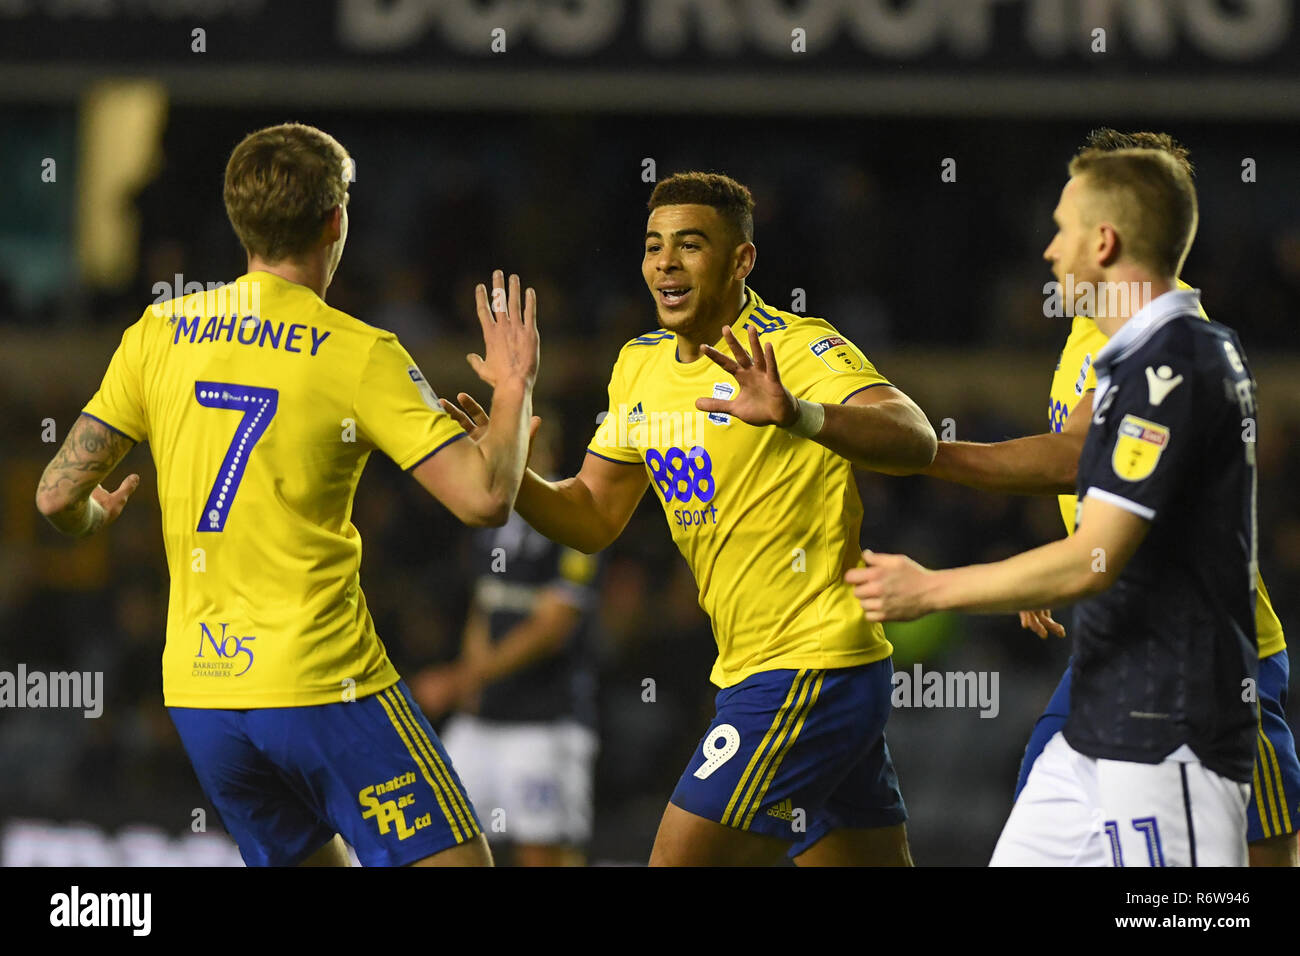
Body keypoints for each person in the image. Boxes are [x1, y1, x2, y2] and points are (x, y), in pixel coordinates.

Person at [34, 122, 540, 867]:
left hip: (203, 696)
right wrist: (514, 394)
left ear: (241, 222)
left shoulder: (159, 331)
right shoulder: (358, 352)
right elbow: (484, 499)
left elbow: (53, 496)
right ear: (336, 222)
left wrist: (90, 514)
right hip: (322, 683)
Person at [441, 171, 936, 865]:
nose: (665, 262)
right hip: (754, 668)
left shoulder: (794, 347)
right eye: (653, 246)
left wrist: (800, 412)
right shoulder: (638, 366)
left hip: (809, 667)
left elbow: (915, 436)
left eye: (690, 245)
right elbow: (590, 514)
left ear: (741, 261)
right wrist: (509, 468)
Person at [850, 146, 1258, 866]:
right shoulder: (1135, 362)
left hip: (1172, 730)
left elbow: (1094, 558)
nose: (1048, 249)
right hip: (1100, 717)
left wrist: (934, 589)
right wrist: (1044, 578)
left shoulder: (1174, 366)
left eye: (1063, 227)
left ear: (1104, 243)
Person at [412, 417, 600, 866]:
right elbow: (484, 607)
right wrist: (470, 689)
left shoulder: (571, 519)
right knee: (437, 837)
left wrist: (458, 679)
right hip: (482, 720)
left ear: (541, 451)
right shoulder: (490, 518)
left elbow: (551, 628)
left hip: (545, 721)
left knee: (542, 853)